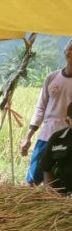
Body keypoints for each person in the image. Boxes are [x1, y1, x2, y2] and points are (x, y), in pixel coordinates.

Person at [20, 38, 72, 185]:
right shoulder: (52, 77)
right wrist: (28, 137)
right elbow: (40, 107)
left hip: (68, 140)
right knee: (33, 179)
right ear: (65, 52)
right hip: (46, 136)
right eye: (70, 49)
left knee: (61, 183)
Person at [39, 100, 72, 195]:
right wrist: (51, 194)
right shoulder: (57, 139)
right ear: (68, 121)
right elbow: (47, 168)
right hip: (61, 196)